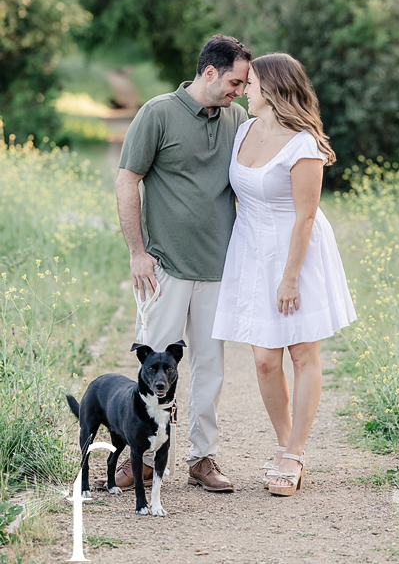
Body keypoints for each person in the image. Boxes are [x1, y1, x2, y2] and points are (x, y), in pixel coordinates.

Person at [211, 52, 356, 496]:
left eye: (250, 83)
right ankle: (281, 441)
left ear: (272, 90)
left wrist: (290, 277)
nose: (243, 89)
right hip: (252, 251)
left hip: (297, 252)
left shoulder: (304, 144)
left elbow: (306, 217)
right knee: (263, 359)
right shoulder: (242, 131)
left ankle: (293, 452)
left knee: (301, 354)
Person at [114, 34, 252, 493]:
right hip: (165, 268)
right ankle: (139, 458)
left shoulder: (237, 117)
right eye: (234, 81)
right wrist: (137, 252)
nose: (239, 90)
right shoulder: (157, 113)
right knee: (153, 367)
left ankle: (201, 458)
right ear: (208, 72)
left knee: (210, 367)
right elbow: (127, 181)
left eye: (243, 84)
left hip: (219, 268)